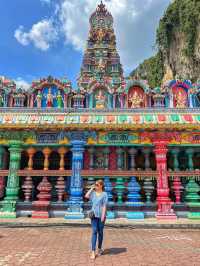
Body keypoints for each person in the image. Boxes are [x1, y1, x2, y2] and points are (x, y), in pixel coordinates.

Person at [85, 179, 108, 260]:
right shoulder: (93, 193)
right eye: (95, 184)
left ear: (101, 186)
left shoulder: (104, 194)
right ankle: (93, 251)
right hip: (94, 215)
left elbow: (104, 205)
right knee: (94, 231)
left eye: (97, 185)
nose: (96, 186)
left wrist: (103, 216)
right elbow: (86, 196)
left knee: (100, 232)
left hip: (101, 215)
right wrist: (91, 188)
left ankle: (99, 248)